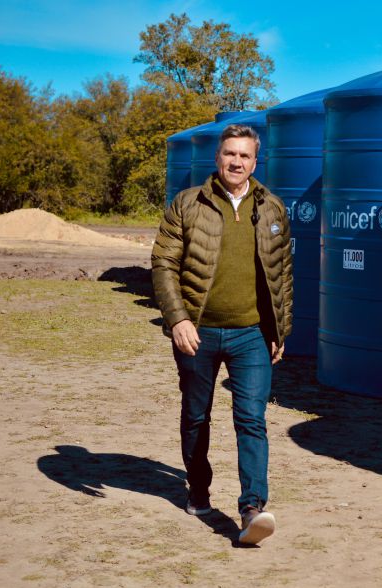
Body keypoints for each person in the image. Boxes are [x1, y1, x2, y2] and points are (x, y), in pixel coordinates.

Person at [151, 124, 292, 545]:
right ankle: (198, 489)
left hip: (252, 334)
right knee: (196, 416)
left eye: (245, 155)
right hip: (198, 332)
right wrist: (177, 320)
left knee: (251, 419)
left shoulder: (272, 209)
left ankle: (252, 509)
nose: (237, 162)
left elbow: (282, 274)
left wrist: (278, 330)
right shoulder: (188, 204)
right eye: (230, 153)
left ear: (255, 160)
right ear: (218, 158)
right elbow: (163, 265)